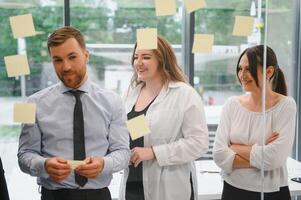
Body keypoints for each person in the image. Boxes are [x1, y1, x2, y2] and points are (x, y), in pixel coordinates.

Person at [18, 26, 130, 200]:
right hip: (53, 195)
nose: (66, 67)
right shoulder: (32, 103)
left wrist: (103, 164)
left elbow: (123, 152)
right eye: (57, 60)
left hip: (98, 195)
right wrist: (44, 165)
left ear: (86, 56)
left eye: (72, 57)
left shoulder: (113, 101)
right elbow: (24, 155)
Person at [121, 35, 209, 200]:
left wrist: (154, 152)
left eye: (146, 57)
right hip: (132, 185)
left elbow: (199, 143)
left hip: (169, 188)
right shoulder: (131, 94)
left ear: (162, 60)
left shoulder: (184, 94)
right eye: (135, 57)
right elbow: (138, 133)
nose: (138, 62)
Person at [213, 45, 296, 200]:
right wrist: (261, 154)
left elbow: (275, 158)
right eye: (240, 68)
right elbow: (218, 154)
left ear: (269, 72)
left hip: (271, 192)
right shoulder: (232, 104)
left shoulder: (286, 105)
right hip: (232, 189)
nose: (242, 75)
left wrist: (235, 147)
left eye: (249, 69)